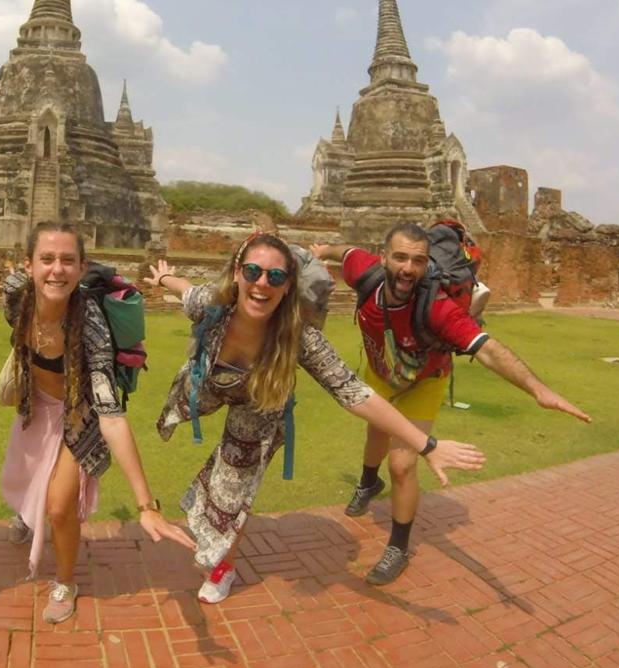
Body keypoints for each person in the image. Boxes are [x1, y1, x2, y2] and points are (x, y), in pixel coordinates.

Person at [145, 232, 486, 604]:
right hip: (208, 385)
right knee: (195, 436)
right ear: (237, 275)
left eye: (275, 277)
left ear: (288, 285)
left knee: (234, 489)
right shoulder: (213, 303)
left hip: (259, 402)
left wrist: (426, 444)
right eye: (253, 271)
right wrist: (164, 278)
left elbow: (354, 392)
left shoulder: (298, 336)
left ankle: (222, 565)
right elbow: (185, 289)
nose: (262, 284)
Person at [311, 222, 591, 585]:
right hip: (382, 366)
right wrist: (321, 252)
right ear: (383, 258)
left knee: (401, 463)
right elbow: (344, 251)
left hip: (424, 379)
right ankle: (367, 483)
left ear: (426, 265)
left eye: (418, 260)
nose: (408, 269)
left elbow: (487, 349)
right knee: (376, 431)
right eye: (399, 258)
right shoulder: (363, 272)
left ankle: (398, 545)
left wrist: (538, 389)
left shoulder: (437, 307)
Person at [1, 222, 195, 624]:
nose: (57, 270)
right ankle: (25, 515)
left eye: (68, 260)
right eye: (47, 259)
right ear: (29, 265)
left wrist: (146, 505)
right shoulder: (15, 298)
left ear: (81, 265)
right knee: (28, 477)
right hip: (37, 407)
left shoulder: (91, 325)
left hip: (81, 415)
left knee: (59, 507)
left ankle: (66, 581)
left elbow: (111, 416)